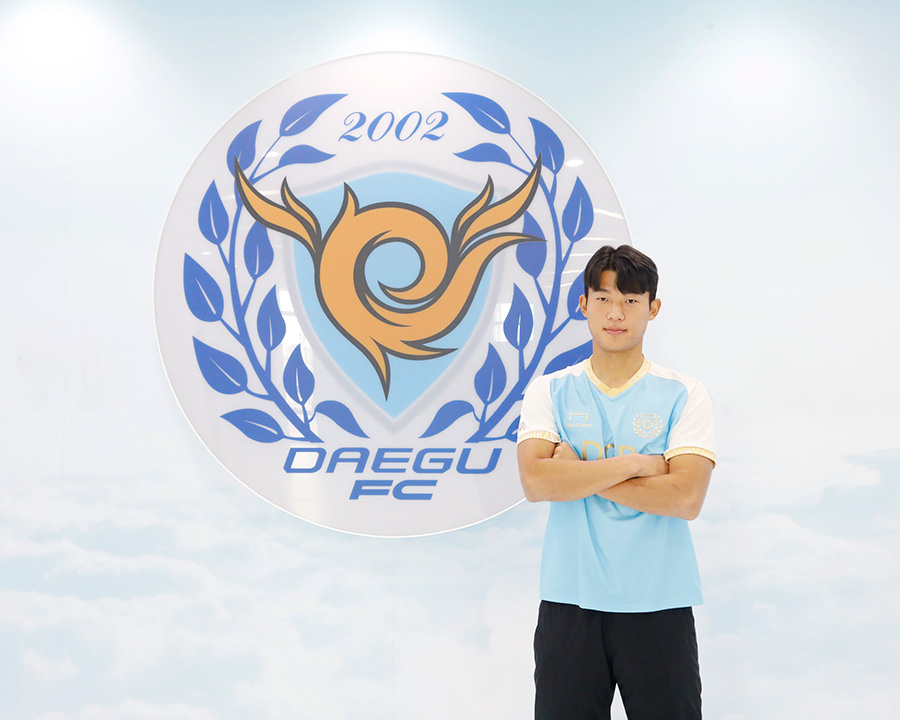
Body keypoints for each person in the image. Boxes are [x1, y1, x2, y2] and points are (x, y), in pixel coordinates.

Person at [517, 244, 716, 720]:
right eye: (604, 298)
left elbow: (686, 498)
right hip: (570, 604)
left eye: (630, 300)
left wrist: (576, 471)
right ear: (583, 304)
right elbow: (536, 482)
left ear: (653, 308)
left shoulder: (684, 393)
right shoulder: (550, 389)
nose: (616, 313)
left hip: (659, 605)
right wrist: (637, 465)